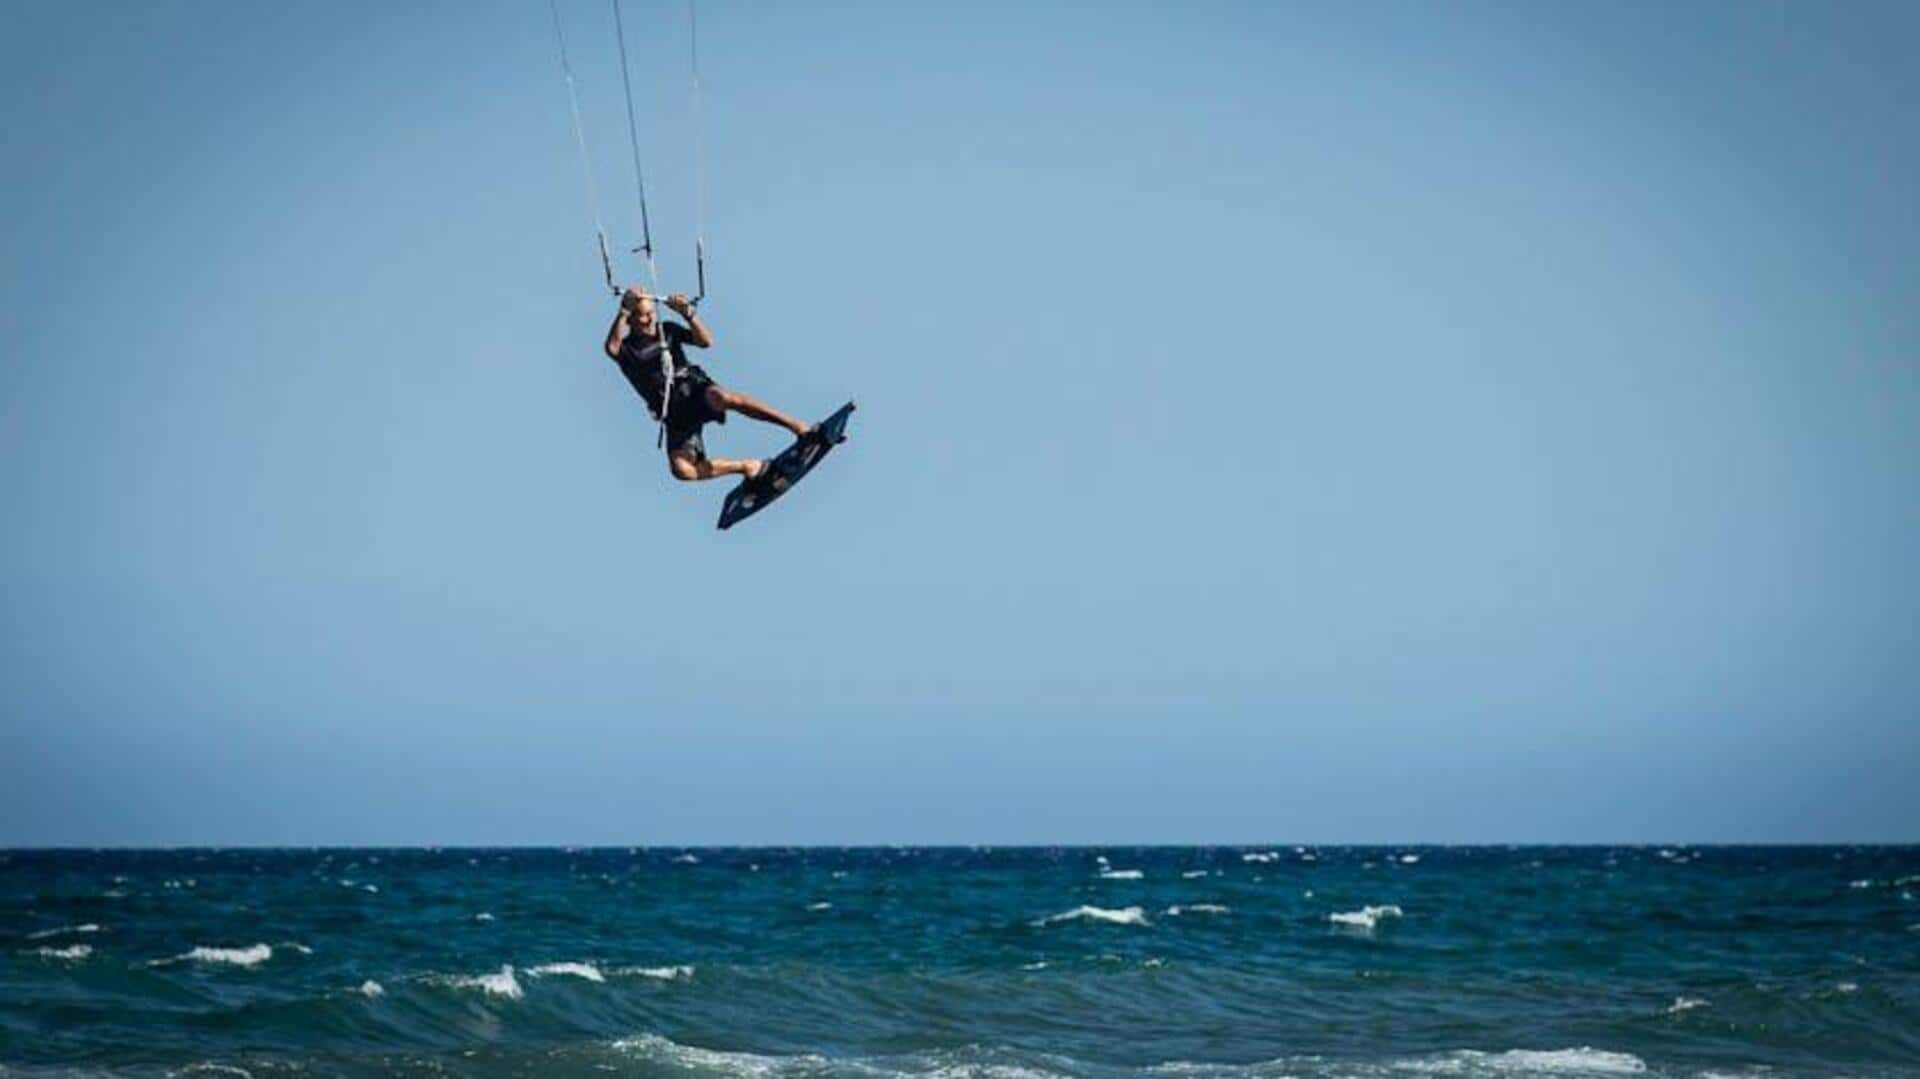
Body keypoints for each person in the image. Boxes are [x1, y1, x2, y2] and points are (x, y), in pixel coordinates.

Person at [603, 287, 812, 483]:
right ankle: (748, 466)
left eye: (651, 313)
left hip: (694, 390)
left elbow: (705, 342)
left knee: (725, 398)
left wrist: (688, 314)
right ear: (630, 319)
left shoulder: (667, 329)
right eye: (643, 315)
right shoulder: (627, 350)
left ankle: (796, 425)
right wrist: (623, 310)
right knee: (682, 470)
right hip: (675, 414)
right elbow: (612, 348)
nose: (649, 319)